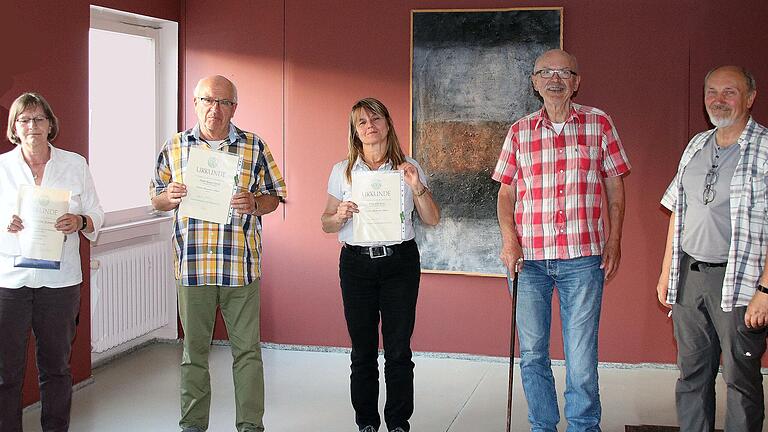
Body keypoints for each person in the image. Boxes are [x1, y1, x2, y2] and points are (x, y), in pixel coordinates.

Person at [492, 49, 630, 431]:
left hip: (583, 258)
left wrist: (614, 240)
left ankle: (584, 426)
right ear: (534, 82)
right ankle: (542, 426)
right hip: (529, 261)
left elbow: (615, 188)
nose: (555, 79)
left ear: (577, 81)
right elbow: (505, 194)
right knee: (533, 354)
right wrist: (509, 241)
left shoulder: (599, 124)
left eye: (565, 72)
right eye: (546, 72)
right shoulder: (519, 131)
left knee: (581, 355)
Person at [151, 75, 287, 432]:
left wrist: (255, 203)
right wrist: (170, 197)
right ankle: (193, 425)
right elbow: (156, 197)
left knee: (247, 354)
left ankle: (250, 426)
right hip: (193, 267)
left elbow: (275, 196)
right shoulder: (176, 146)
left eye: (224, 102)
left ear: (234, 108)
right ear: (195, 103)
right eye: (208, 100)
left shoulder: (254, 146)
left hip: (239, 268)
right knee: (193, 354)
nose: (215, 109)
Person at [656, 65, 768, 431]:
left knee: (741, 381)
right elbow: (678, 210)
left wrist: (765, 291)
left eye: (729, 92)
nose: (718, 100)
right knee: (691, 375)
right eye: (711, 92)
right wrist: (665, 272)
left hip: (741, 283)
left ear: (750, 98)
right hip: (690, 277)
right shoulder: (696, 145)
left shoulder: (765, 150)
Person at [321, 98, 440, 432]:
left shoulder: (409, 166)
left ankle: (398, 422)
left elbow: (432, 217)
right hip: (356, 266)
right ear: (355, 133)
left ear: (388, 123)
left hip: (399, 264)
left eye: (375, 118)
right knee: (362, 351)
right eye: (361, 122)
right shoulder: (342, 171)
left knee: (399, 349)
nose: (369, 125)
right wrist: (339, 214)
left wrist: (417, 186)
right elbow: (325, 223)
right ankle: (367, 423)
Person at [0, 92, 104, 432]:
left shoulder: (75, 164)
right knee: (6, 372)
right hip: (10, 282)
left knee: (57, 368)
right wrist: (5, 224)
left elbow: (96, 213)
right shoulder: (2, 168)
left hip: (60, 283)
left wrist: (80, 221)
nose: (33, 126)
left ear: (50, 124)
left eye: (39, 119)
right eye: (25, 120)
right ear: (15, 127)